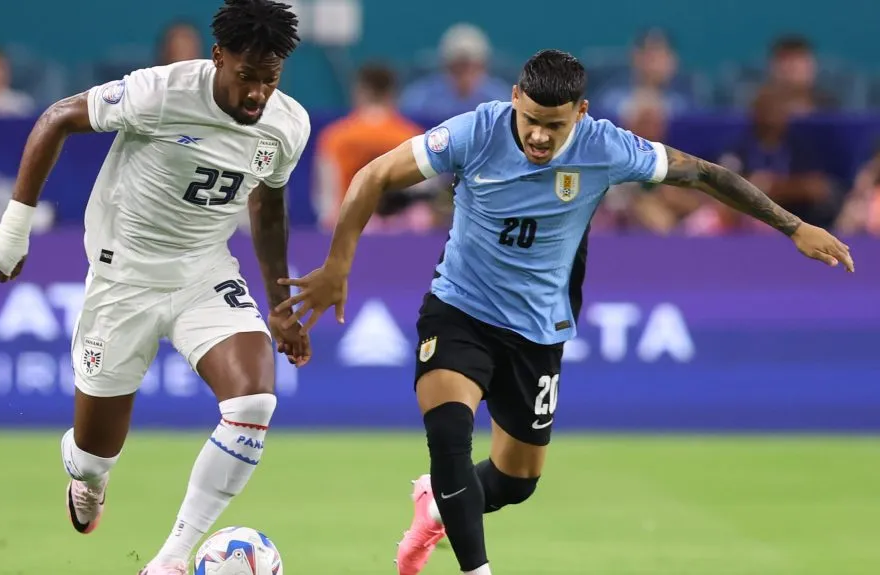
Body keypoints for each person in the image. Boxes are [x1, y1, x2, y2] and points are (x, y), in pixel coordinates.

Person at [274, 49, 854, 575]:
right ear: (515, 102)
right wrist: (338, 265)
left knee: (516, 481)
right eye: (530, 121)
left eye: (555, 126)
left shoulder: (607, 147)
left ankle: (436, 504)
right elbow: (374, 175)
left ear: (581, 111)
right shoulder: (474, 132)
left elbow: (705, 174)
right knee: (449, 431)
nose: (540, 138)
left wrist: (795, 226)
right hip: (459, 309)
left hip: (537, 331)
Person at [0, 2, 310, 574]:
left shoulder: (288, 124)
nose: (257, 93)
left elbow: (270, 207)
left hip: (203, 273)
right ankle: (86, 476)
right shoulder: (160, 92)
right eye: (246, 76)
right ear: (217, 59)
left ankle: (172, 560)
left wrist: (279, 305)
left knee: (254, 401)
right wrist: (15, 227)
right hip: (123, 278)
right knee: (93, 455)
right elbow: (58, 117)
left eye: (270, 79)